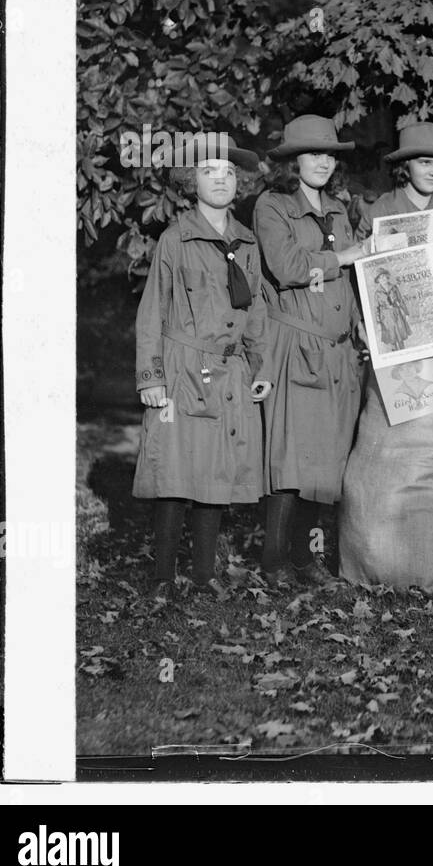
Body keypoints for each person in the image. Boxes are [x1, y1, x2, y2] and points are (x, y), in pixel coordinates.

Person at [337, 122, 433, 597]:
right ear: (404, 167)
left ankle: (430, 566)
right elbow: (357, 276)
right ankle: (376, 560)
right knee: (392, 458)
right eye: (425, 161)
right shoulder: (380, 210)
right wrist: (363, 324)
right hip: (398, 357)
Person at [132, 139, 271, 602]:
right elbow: (152, 312)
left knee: (215, 471)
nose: (220, 179)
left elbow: (256, 313)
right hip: (181, 367)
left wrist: (257, 365)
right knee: (176, 473)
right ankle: (162, 577)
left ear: (239, 183)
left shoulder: (246, 241)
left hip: (228, 372)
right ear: (193, 183)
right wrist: (151, 378)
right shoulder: (176, 239)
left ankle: (204, 572)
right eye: (209, 171)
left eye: (228, 172)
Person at [253, 115, 369, 586]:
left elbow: (354, 278)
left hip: (338, 350)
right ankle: (274, 560)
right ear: (292, 160)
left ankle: (305, 560)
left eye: (329, 153)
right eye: (313, 153)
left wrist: (361, 325)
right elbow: (286, 267)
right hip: (296, 344)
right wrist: (344, 256)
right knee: (291, 458)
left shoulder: (339, 209)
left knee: (325, 461)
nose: (323, 161)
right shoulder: (271, 205)